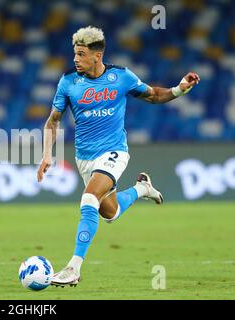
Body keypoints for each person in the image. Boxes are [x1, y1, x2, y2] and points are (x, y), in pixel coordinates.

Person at [36, 26, 200, 287]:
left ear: (96, 56)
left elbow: (154, 95)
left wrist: (180, 88)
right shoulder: (68, 82)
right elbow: (52, 122)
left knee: (89, 198)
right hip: (85, 158)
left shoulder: (121, 77)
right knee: (109, 213)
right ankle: (141, 189)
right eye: (74, 54)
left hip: (114, 152)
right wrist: (46, 154)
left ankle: (72, 268)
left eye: (80, 54)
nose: (75, 59)